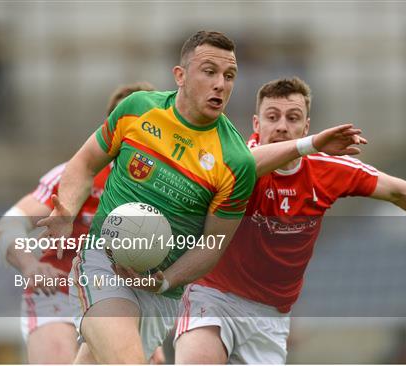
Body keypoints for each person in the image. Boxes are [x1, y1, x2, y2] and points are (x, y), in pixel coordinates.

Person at [37, 30, 366, 364]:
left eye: (229, 76)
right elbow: (84, 163)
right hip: (104, 264)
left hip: (160, 296)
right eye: (209, 72)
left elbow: (212, 244)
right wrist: (65, 212)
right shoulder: (138, 110)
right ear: (180, 75)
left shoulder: (235, 160)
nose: (221, 84)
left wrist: (165, 281)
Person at [173, 77, 406, 364]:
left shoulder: (327, 169)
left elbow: (399, 192)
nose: (281, 126)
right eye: (272, 117)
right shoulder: (239, 158)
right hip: (213, 296)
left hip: (270, 316)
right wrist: (309, 145)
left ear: (306, 125)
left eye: (292, 118)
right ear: (256, 123)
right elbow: (239, 166)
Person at [0, 81, 155, 364]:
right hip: (57, 292)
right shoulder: (75, 175)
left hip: (116, 303)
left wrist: (153, 337)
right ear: (111, 129)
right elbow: (9, 224)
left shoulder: (161, 189)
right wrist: (30, 265)